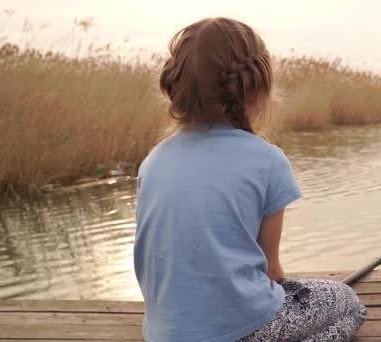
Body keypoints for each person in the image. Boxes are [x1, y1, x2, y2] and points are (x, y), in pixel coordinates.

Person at [134, 17, 366, 342]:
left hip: (163, 334)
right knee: (349, 303)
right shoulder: (268, 160)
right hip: (243, 332)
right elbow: (271, 271)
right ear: (257, 88)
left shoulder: (152, 162)